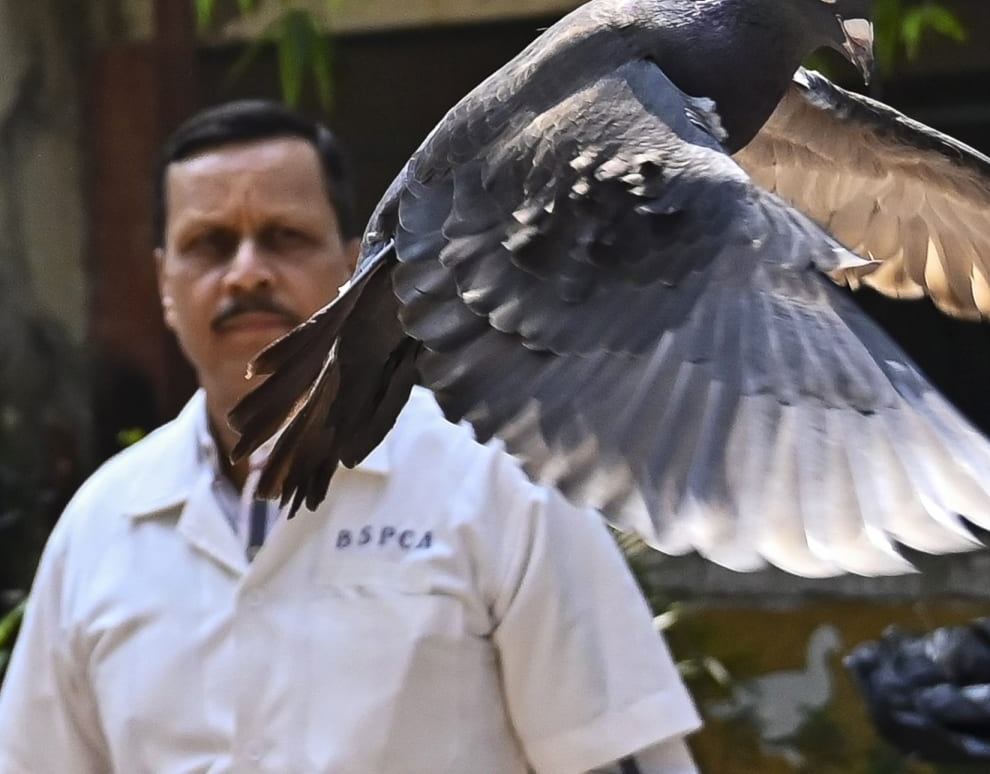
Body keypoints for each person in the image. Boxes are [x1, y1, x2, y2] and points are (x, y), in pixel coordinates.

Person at [0, 100, 702, 773]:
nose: (247, 271)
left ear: (351, 263)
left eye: (284, 236)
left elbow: (618, 757)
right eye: (209, 244)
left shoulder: (496, 485)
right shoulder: (100, 529)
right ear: (164, 282)